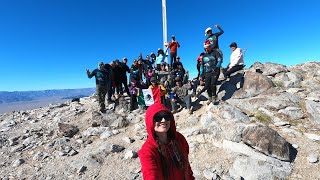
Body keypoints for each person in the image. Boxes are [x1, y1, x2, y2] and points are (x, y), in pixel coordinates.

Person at [138, 103, 194, 180]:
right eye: (158, 117)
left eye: (166, 116)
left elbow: (186, 166)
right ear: (150, 121)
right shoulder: (147, 150)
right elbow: (150, 174)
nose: (163, 120)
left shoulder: (179, 139)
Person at [196, 40, 222, 105]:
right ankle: (210, 97)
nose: (206, 49)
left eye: (207, 48)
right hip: (207, 72)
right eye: (205, 48)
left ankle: (214, 96)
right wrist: (201, 74)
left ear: (210, 47)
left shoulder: (215, 52)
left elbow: (219, 60)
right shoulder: (204, 56)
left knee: (213, 84)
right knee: (207, 86)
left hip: (215, 71)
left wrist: (216, 67)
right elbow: (202, 66)